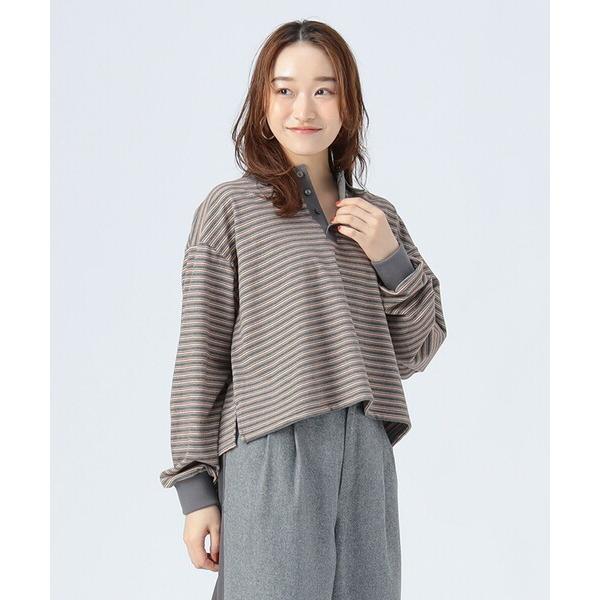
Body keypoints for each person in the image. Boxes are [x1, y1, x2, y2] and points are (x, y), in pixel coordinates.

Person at [159, 19, 447, 600]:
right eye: (285, 89)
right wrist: (196, 491)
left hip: (365, 452)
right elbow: (200, 356)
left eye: (324, 89)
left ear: (348, 102)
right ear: (262, 101)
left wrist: (389, 257)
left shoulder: (378, 216)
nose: (304, 109)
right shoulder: (231, 209)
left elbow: (417, 349)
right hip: (272, 446)